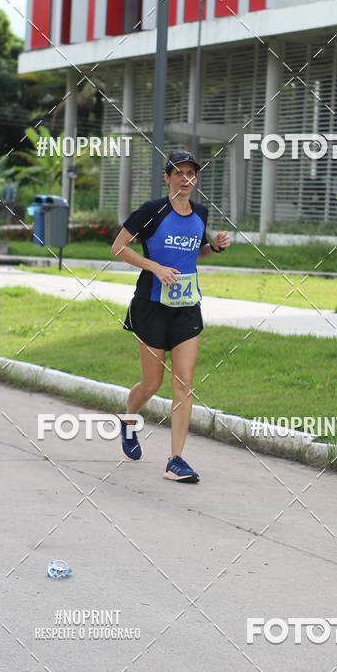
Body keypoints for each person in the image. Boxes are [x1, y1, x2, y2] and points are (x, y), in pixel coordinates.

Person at [110, 150, 230, 482]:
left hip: (187, 307)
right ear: (167, 177)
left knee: (184, 383)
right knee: (152, 383)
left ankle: (176, 460)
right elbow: (118, 247)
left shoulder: (201, 213)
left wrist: (215, 248)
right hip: (151, 305)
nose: (185, 178)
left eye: (191, 173)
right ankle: (129, 419)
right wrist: (156, 267)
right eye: (179, 173)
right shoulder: (152, 211)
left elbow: (196, 253)